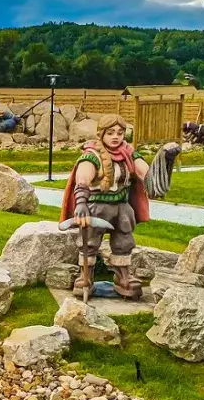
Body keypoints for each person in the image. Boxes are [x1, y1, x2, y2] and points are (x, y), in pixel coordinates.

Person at [60, 114, 150, 298]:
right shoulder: (92, 155)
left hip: (122, 207)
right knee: (89, 241)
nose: (115, 136)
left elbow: (146, 174)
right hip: (97, 207)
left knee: (124, 241)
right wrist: (81, 203)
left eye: (119, 132)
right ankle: (86, 275)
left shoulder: (128, 153)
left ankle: (123, 276)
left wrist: (163, 165)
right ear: (101, 134)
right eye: (110, 133)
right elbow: (83, 177)